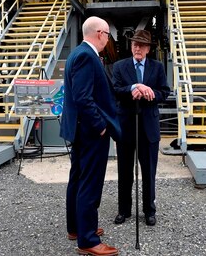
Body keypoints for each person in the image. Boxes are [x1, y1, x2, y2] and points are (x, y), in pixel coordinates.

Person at [60, 16, 121, 256]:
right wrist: (101, 126)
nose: (108, 39)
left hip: (79, 130)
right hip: (90, 131)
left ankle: (76, 227)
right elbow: (83, 97)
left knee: (77, 178)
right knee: (90, 182)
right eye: (107, 34)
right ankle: (87, 239)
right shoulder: (87, 56)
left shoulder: (77, 53)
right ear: (99, 33)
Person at [112, 29, 170, 226]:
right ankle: (124, 210)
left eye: (142, 45)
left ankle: (149, 211)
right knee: (125, 170)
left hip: (148, 127)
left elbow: (165, 92)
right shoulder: (120, 66)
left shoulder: (158, 67)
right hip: (126, 125)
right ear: (131, 46)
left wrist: (149, 92)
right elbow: (116, 90)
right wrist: (133, 88)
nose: (137, 48)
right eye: (135, 44)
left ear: (148, 49)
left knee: (148, 171)